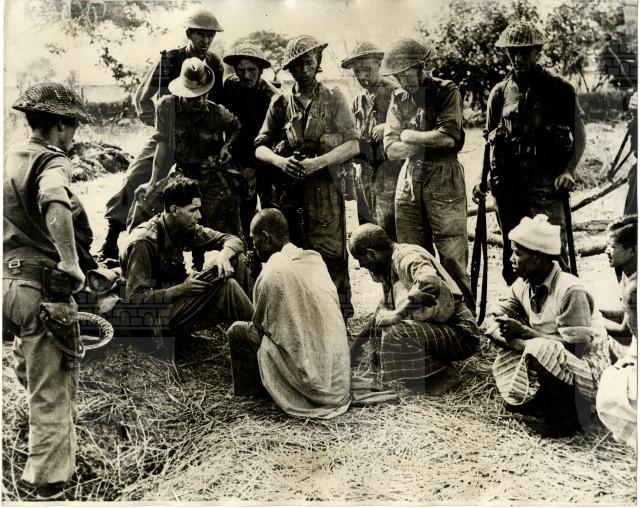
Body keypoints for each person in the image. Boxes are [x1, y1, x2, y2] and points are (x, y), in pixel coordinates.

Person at [3, 82, 92, 500]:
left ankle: (45, 455)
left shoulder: (11, 157)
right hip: (38, 289)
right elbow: (55, 199)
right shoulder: (53, 160)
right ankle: (48, 484)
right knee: (52, 389)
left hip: (7, 284)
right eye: (72, 126)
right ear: (59, 126)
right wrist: (71, 263)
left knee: (29, 369)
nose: (73, 136)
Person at [99, 8, 225, 260]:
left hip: (199, 139)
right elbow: (143, 99)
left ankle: (198, 254)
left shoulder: (214, 64)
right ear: (189, 34)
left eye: (210, 35)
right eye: (200, 34)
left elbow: (219, 107)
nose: (205, 40)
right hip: (168, 135)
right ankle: (111, 241)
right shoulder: (170, 60)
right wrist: (162, 125)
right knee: (136, 177)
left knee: (209, 187)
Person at [473, 22, 587, 285]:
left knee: (552, 251)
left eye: (525, 51)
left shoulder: (559, 89)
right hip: (508, 185)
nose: (518, 58)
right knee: (514, 254)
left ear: (538, 52)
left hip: (545, 183)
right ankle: (520, 305)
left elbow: (579, 135)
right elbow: (490, 142)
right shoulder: (499, 93)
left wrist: (569, 170)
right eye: (512, 52)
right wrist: (482, 179)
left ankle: (561, 304)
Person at [255, 34, 360, 319]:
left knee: (330, 252)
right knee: (295, 253)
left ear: (317, 63)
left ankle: (337, 317)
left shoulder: (334, 97)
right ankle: (303, 318)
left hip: (325, 189)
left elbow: (353, 143)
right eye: (297, 65)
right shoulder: (280, 103)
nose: (303, 70)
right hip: (290, 191)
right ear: (289, 69)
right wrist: (280, 161)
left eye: (309, 63)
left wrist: (318, 163)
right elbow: (260, 146)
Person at [486, 215, 608, 437]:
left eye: (518, 253)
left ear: (537, 258)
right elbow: (494, 314)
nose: (511, 259)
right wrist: (501, 325)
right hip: (560, 362)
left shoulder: (570, 290)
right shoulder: (524, 284)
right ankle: (547, 398)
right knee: (514, 339)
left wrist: (526, 335)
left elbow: (577, 347)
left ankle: (573, 414)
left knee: (540, 348)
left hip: (592, 370)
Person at [227, 209, 351, 418]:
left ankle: (256, 396)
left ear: (266, 237)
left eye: (254, 240)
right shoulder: (313, 259)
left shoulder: (273, 271)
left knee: (237, 332)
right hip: (338, 381)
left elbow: (259, 328)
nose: (253, 246)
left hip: (315, 388)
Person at [381, 38, 474, 311]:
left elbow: (448, 138)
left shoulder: (446, 91)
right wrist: (424, 140)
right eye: (397, 76)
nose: (401, 81)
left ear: (421, 66)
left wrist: (408, 135)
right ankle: (424, 316)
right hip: (410, 179)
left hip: (444, 177)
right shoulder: (399, 97)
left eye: (406, 73)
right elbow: (390, 148)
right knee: (413, 254)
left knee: (452, 255)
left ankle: (463, 318)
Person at [126, 57, 244, 271]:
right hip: (183, 175)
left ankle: (234, 265)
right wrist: (153, 181)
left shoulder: (217, 112)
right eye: (193, 97)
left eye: (203, 95)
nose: (199, 101)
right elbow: (162, 147)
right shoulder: (166, 107)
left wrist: (226, 147)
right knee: (145, 203)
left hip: (211, 175)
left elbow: (236, 127)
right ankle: (140, 260)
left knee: (227, 218)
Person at [120, 178, 253, 346]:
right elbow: (135, 299)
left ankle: (255, 324)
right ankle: (258, 336)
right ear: (174, 210)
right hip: (150, 318)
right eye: (193, 210)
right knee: (228, 288)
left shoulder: (182, 227)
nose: (199, 216)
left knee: (234, 258)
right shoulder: (144, 242)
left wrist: (224, 256)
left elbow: (233, 240)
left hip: (173, 299)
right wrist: (182, 289)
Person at [348, 224, 480, 393]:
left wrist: (398, 314)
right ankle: (428, 369)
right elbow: (380, 313)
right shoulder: (391, 264)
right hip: (443, 326)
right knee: (380, 330)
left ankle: (443, 374)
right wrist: (354, 349)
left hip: (462, 332)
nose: (362, 266)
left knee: (394, 331)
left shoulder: (407, 258)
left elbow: (430, 282)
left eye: (361, 260)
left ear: (371, 254)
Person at [341, 41, 403, 239]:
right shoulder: (358, 101)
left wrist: (390, 127)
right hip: (365, 174)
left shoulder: (397, 92)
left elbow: (417, 125)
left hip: (392, 172)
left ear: (379, 64)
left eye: (367, 69)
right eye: (357, 72)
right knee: (368, 232)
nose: (362, 76)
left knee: (391, 231)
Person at [221, 42, 278, 245]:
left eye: (252, 70)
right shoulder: (230, 87)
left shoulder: (270, 96)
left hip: (265, 158)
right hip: (238, 157)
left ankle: (273, 249)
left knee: (271, 206)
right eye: (241, 70)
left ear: (261, 71)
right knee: (243, 208)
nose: (246, 75)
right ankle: (248, 250)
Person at [596, 216, 637, 449]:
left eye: (612, 246)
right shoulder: (629, 274)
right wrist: (594, 309)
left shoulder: (634, 290)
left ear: (632, 249)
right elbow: (625, 314)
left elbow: (624, 332)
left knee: (609, 393)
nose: (606, 251)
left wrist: (593, 321)